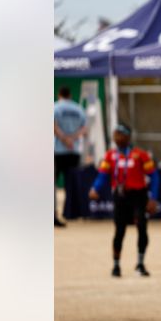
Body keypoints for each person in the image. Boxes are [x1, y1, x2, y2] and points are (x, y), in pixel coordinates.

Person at [89, 124, 159, 277]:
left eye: (120, 134)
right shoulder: (110, 155)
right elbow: (103, 174)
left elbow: (154, 176)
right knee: (119, 230)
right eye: (115, 134)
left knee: (142, 226)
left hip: (138, 196)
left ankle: (140, 264)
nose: (117, 137)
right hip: (120, 196)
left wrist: (153, 198)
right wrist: (95, 188)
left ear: (128, 137)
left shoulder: (140, 155)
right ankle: (116, 265)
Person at [54, 86, 88, 227]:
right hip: (73, 151)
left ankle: (53, 213)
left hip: (57, 150)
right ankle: (70, 212)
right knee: (71, 183)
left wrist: (64, 139)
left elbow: (53, 126)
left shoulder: (55, 108)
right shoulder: (79, 109)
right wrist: (72, 139)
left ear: (59, 95)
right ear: (70, 95)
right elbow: (85, 129)